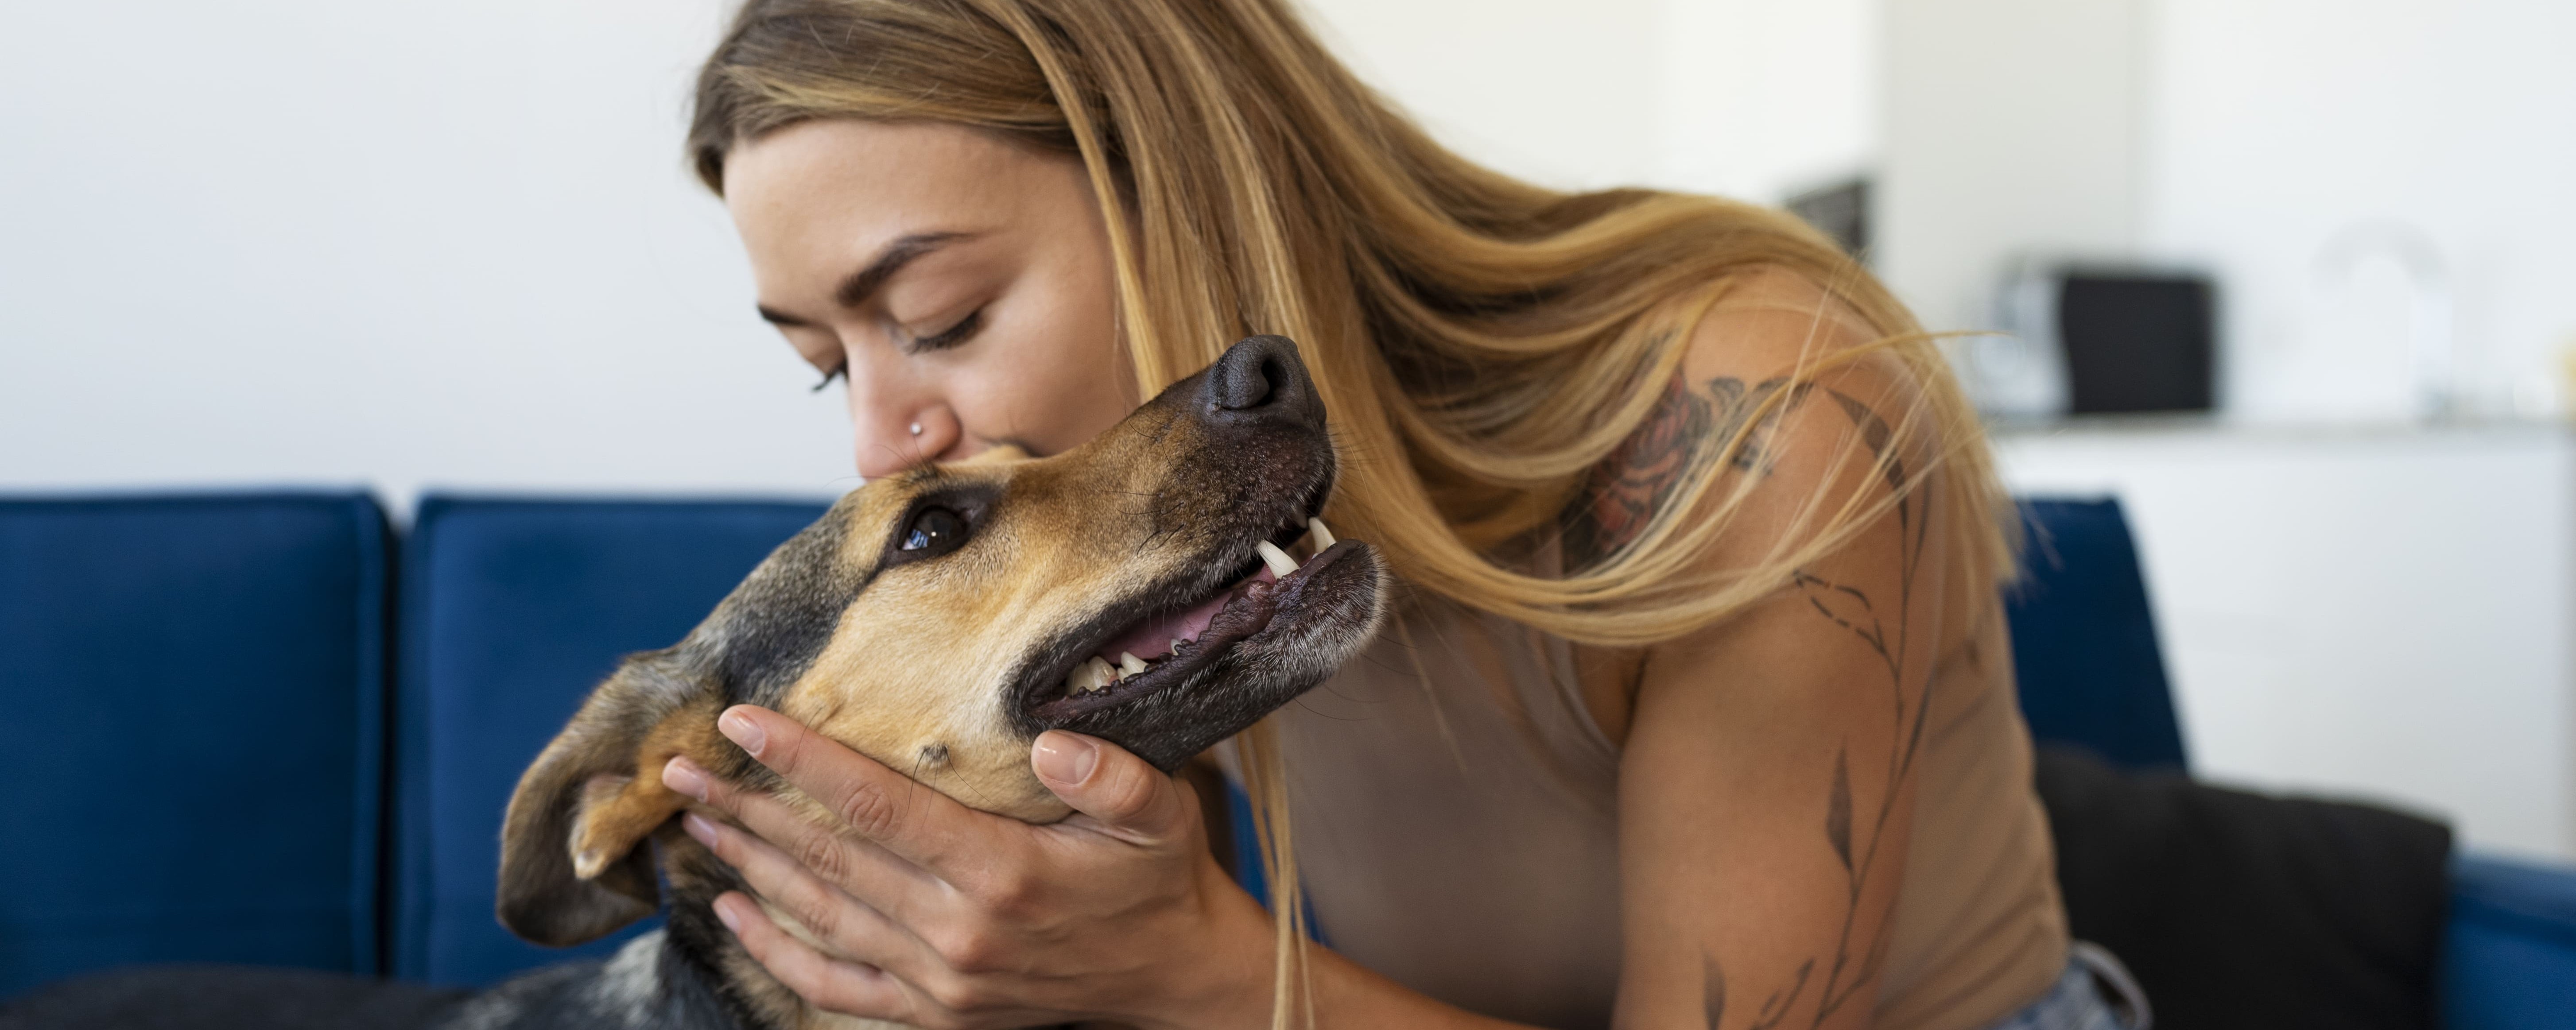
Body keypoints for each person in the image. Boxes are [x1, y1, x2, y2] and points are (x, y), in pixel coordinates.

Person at [649, 1, 2141, 1028]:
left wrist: (1186, 971)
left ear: (1188, 188)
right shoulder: (1167, 573)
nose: (881, 441)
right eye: (823, 369)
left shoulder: (1749, 408)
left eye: (944, 315)